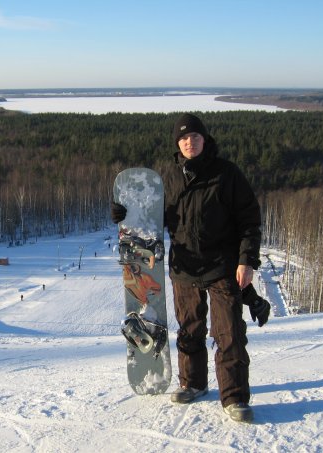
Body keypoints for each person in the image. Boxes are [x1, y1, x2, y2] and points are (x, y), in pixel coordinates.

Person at [111, 113, 270, 422]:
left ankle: (235, 397)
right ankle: (194, 383)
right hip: (184, 268)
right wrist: (126, 213)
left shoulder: (227, 174)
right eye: (183, 138)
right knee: (190, 330)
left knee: (229, 333)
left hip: (222, 266)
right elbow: (153, 219)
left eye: (194, 136)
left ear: (204, 139)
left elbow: (249, 220)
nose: (189, 142)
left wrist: (246, 260)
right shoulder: (170, 179)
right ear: (177, 143)